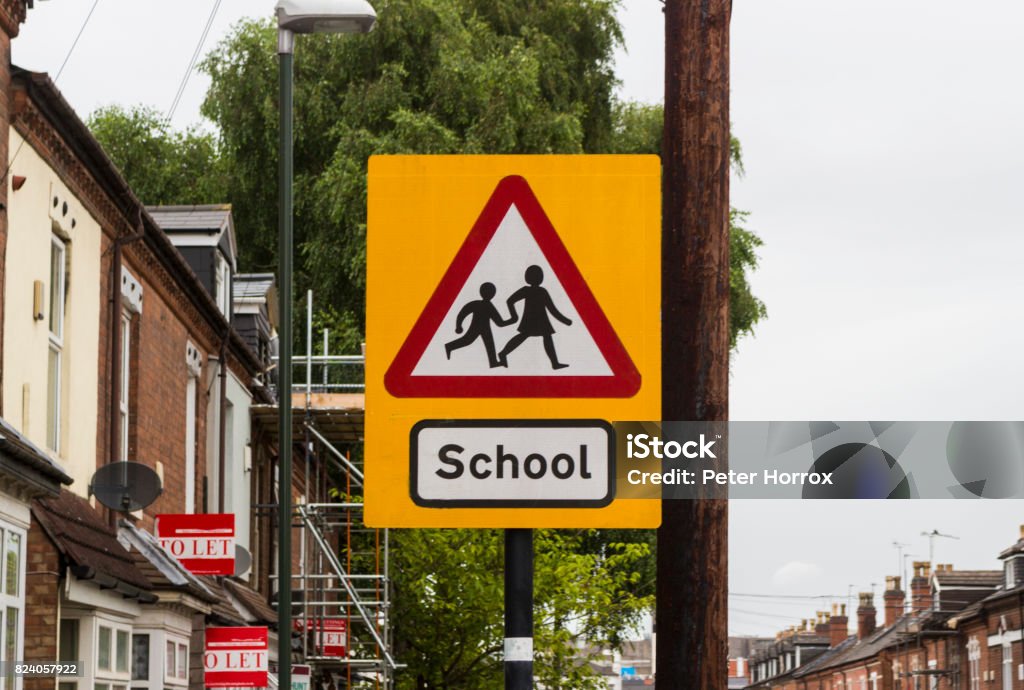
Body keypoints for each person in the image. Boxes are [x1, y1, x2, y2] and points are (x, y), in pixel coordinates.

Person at [498, 265, 573, 369]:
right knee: (527, 337)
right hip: (533, 320)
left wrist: (565, 320)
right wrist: (565, 320)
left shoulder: (537, 291)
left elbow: (552, 309)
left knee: (544, 337)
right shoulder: (536, 291)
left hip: (539, 320)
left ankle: (554, 363)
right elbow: (552, 309)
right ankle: (503, 353)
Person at [444, 282, 511, 368]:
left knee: (489, 344)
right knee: (468, 340)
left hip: (485, 328)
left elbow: (463, 313)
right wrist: (458, 325)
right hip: (477, 327)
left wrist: (459, 325)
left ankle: (493, 362)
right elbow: (463, 313)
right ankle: (449, 346)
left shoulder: (481, 304)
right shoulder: (484, 305)